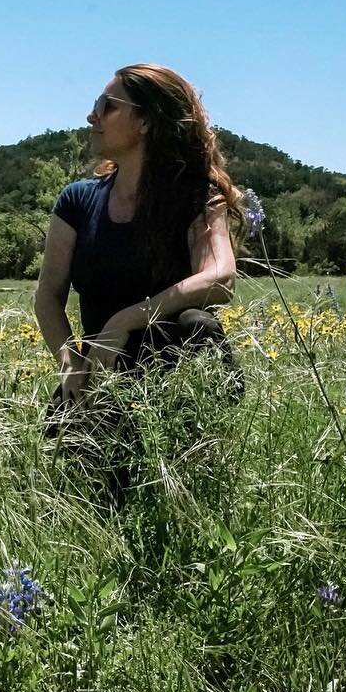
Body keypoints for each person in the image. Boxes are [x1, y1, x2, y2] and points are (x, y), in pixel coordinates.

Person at [35, 63, 248, 479]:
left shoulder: (195, 196)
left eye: (106, 105)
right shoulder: (77, 201)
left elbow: (221, 277)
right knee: (71, 504)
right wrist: (70, 361)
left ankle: (195, 457)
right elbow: (48, 295)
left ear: (146, 121)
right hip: (100, 377)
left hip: (171, 381)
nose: (92, 115)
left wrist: (126, 321)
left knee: (197, 321)